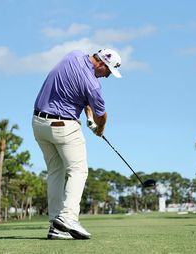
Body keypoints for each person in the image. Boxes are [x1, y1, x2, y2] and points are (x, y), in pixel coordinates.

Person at [32, 48, 122, 240]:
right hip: (63, 125)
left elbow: (79, 93)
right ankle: (68, 218)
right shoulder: (93, 85)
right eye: (108, 72)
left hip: (39, 124)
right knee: (78, 170)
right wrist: (100, 129)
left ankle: (56, 226)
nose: (106, 77)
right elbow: (102, 114)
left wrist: (87, 115)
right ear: (101, 64)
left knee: (56, 171)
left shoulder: (73, 55)